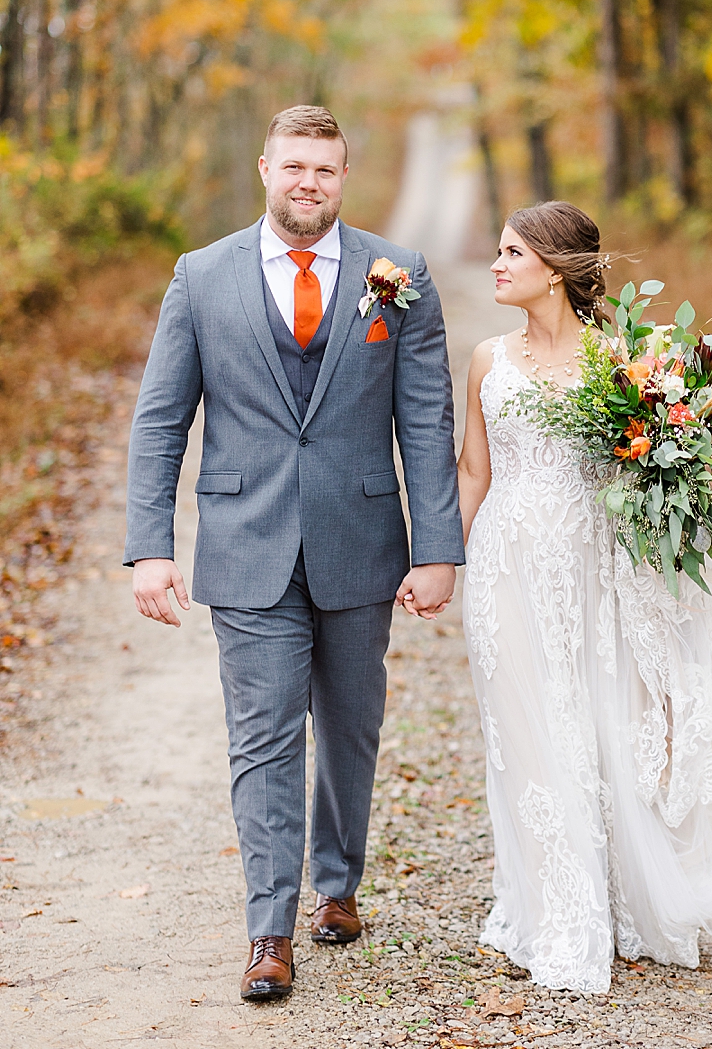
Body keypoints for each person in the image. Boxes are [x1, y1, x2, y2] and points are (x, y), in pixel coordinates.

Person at [124, 105, 464, 1002]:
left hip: (362, 539)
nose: (308, 183)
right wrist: (148, 550)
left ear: (342, 178)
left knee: (350, 730)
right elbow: (162, 420)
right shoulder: (202, 277)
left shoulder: (401, 275)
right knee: (263, 739)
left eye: (326, 170)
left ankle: (338, 884)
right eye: (294, 167)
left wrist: (439, 549)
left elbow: (424, 422)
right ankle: (269, 929)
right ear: (265, 170)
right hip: (246, 545)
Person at [456, 200, 712, 994]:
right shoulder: (488, 359)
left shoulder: (621, 360)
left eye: (511, 253)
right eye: (498, 251)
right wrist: (435, 564)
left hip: (598, 569)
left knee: (603, 729)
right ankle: (556, 912)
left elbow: (647, 465)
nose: (496, 265)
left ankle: (623, 899)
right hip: (507, 567)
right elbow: (473, 473)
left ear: (555, 270)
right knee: (526, 732)